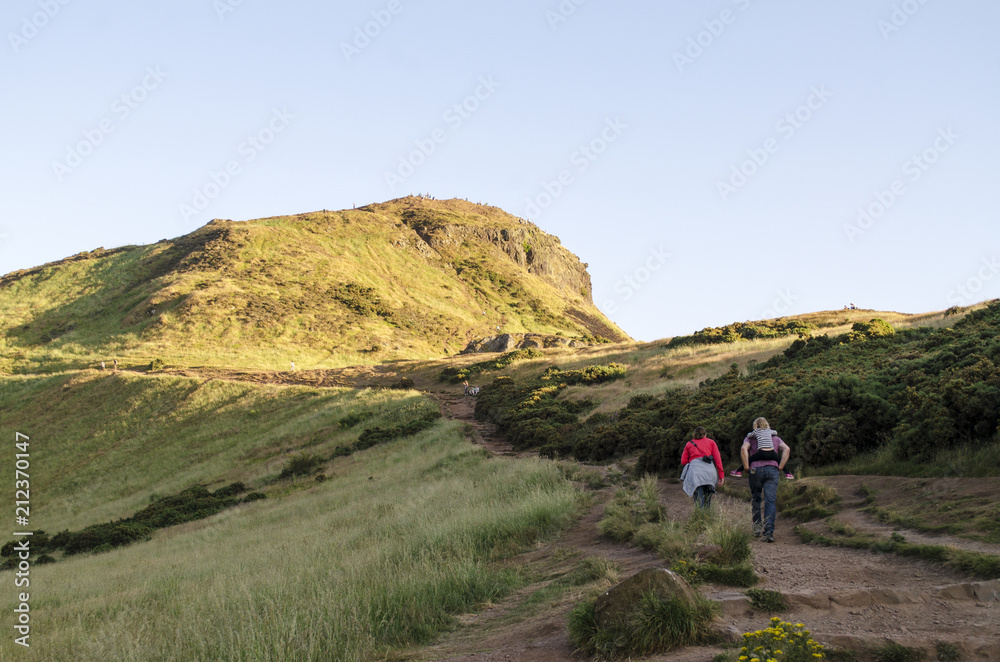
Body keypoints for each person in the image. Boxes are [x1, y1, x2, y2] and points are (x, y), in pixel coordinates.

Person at [740, 417, 791, 542]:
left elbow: (743, 449)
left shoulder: (751, 438)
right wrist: (781, 466)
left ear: (755, 426)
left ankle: (757, 528)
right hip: (772, 470)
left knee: (756, 497)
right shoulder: (775, 438)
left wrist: (746, 465)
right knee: (770, 500)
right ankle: (769, 531)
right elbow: (787, 449)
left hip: (754, 470)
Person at [680, 426, 724, 509]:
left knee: (699, 501)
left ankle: (700, 519)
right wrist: (721, 475)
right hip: (710, 474)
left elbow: (683, 461)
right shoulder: (711, 442)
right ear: (705, 434)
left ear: (694, 434)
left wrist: (693, 459)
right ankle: (708, 519)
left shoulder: (689, 444)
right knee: (708, 500)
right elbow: (718, 459)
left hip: (696, 474)